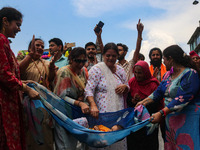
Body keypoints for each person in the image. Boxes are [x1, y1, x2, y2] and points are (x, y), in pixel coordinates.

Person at [136, 45, 200, 149]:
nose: (164, 62)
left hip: (187, 120)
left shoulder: (190, 74)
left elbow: (182, 99)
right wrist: (144, 101)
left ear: (171, 59)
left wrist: (161, 113)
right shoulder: (167, 76)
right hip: (171, 122)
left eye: (164, 59)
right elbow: (158, 92)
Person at [0, 7, 39, 150]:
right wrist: (26, 89)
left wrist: (22, 82)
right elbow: (3, 74)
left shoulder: (6, 43)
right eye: (17, 25)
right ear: (5, 21)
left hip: (10, 102)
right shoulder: (0, 41)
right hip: (4, 105)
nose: (19, 29)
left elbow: (9, 74)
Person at [85, 42, 129, 150]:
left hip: (118, 112)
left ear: (117, 56)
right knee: (102, 140)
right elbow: (89, 89)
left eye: (114, 56)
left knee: (117, 140)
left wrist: (125, 87)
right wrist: (93, 105)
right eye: (108, 55)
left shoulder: (120, 70)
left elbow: (128, 86)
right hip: (101, 113)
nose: (110, 58)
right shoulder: (96, 69)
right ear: (103, 55)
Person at [19, 37, 58, 150]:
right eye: (37, 45)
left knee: (45, 132)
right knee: (29, 133)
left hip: (43, 103)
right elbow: (17, 72)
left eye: (42, 46)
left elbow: (50, 80)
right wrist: (30, 56)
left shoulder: (46, 62)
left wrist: (51, 66)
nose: (40, 48)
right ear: (30, 48)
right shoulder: (24, 61)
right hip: (26, 103)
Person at [53, 47, 89, 150]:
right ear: (71, 59)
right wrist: (80, 103)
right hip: (63, 112)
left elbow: (84, 88)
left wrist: (82, 97)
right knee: (66, 144)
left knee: (79, 143)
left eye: (83, 61)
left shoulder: (82, 71)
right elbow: (61, 96)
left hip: (77, 112)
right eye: (78, 61)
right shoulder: (64, 72)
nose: (81, 64)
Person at [127, 61, 160, 150]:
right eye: (136, 72)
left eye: (140, 73)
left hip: (149, 121)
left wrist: (142, 102)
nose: (137, 75)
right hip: (134, 123)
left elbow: (157, 102)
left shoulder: (153, 84)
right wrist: (133, 100)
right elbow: (127, 100)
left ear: (145, 72)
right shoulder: (132, 82)